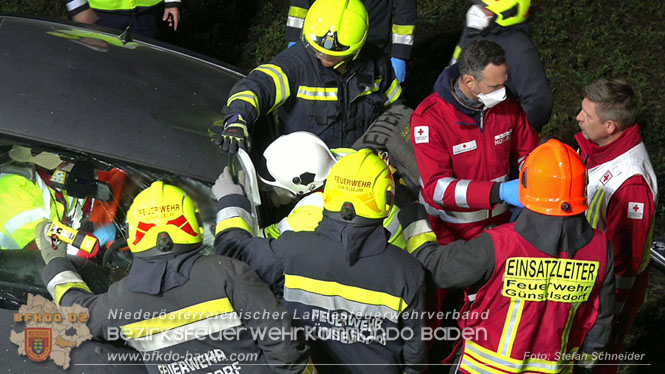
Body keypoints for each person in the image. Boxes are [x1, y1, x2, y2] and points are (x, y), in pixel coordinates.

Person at [39, 181, 312, 374]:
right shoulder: (228, 272)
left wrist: (55, 262)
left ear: (135, 232)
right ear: (190, 223)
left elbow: (77, 312)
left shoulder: (121, 300)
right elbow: (287, 349)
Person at [398, 139, 615, 373]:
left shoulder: (498, 245)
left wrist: (412, 214)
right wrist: (584, 367)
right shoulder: (601, 250)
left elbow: (435, 268)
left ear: (525, 186)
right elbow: (600, 322)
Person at [213, 149, 426, 373]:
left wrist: (231, 201)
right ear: (388, 200)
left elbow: (231, 252)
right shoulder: (406, 271)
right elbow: (415, 358)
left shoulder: (292, 249)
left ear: (327, 193)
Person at [209, 0, 403, 153]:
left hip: (357, 169)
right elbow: (255, 86)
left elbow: (396, 110)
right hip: (304, 176)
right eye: (318, 51)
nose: (324, 56)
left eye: (334, 55)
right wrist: (237, 119)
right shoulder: (296, 64)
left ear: (357, 50)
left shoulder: (377, 65)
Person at [411, 39, 540, 245]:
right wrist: (499, 192)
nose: (503, 91)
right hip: (450, 231)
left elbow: (528, 151)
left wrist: (535, 176)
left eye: (504, 82)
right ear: (470, 82)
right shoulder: (429, 119)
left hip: (503, 225)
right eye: (494, 86)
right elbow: (437, 188)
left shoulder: (507, 105)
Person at [574, 78, 658, 374]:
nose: (578, 117)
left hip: (607, 292)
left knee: (597, 361)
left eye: (586, 114)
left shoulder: (631, 183)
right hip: (592, 279)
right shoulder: (600, 148)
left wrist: (610, 314)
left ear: (610, 126)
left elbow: (627, 263)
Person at [259, 131, 405, 249]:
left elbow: (262, 241)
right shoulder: (347, 156)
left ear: (300, 183)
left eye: (275, 187)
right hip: (399, 232)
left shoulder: (310, 212)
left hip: (384, 255)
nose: (272, 191)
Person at [450, 0, 553, 131]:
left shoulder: (518, 49)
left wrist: (509, 133)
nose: (475, 9)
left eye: (482, 6)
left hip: (483, 137)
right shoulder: (476, 33)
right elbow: (452, 73)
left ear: (505, 11)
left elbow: (540, 103)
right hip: (457, 123)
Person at [0, 146, 115, 254]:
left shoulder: (53, 179)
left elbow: (79, 205)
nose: (70, 163)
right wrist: (84, 247)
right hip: (23, 270)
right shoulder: (12, 189)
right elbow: (43, 248)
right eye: (68, 159)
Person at [284, 0, 417, 83]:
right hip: (323, 37)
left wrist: (400, 53)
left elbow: (406, 7)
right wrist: (294, 36)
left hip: (372, 44)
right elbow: (299, 4)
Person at [64, 0, 180, 39]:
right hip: (98, 15)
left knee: (145, 71)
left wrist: (172, 3)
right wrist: (78, 9)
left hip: (149, 14)